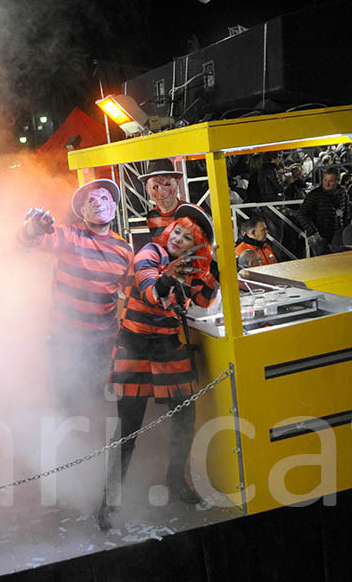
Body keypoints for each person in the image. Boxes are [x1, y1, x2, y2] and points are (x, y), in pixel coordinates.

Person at [98, 204, 219, 529]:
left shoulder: (193, 265)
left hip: (168, 349)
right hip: (135, 349)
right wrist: (170, 276)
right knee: (128, 431)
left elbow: (206, 299)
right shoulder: (148, 252)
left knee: (185, 420)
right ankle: (109, 500)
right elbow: (153, 292)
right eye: (177, 231)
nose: (178, 238)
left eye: (187, 237)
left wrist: (210, 266)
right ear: (169, 231)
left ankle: (175, 481)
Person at [17, 179, 133, 416]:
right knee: (67, 404)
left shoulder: (124, 250)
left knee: (101, 405)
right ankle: (71, 451)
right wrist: (33, 228)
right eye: (90, 200)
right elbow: (27, 241)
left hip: (103, 342)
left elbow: (132, 293)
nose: (97, 204)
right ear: (82, 212)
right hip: (66, 340)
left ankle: (97, 449)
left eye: (103, 199)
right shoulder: (69, 236)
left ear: (113, 207)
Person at [135, 158, 186, 252]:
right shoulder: (152, 217)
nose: (162, 192)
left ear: (177, 184)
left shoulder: (192, 212)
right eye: (155, 187)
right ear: (148, 190)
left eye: (167, 184)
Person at [297, 166, 350, 256]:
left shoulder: (343, 193)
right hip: (320, 236)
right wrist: (314, 232)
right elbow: (302, 214)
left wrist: (345, 230)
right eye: (325, 180)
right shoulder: (314, 195)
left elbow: (346, 213)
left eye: (331, 181)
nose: (327, 184)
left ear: (337, 181)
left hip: (338, 235)